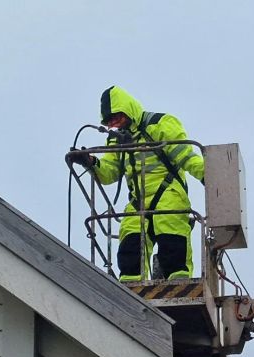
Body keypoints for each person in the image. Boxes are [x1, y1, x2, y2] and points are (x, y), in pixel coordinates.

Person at [69, 86, 204, 282]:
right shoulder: (117, 140)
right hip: (137, 200)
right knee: (130, 239)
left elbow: (186, 156)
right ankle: (130, 288)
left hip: (167, 192)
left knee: (171, 235)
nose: (113, 124)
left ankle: (178, 282)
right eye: (109, 121)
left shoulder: (160, 124)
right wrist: (90, 162)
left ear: (127, 109)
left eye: (116, 117)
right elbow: (109, 173)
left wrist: (209, 176)